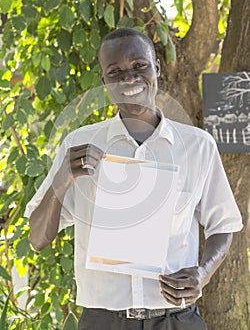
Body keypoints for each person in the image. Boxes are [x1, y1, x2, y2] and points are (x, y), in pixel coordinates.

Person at [25, 28, 243, 330]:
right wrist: (61, 180)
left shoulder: (197, 146)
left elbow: (224, 225)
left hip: (176, 320)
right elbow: (37, 239)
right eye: (115, 72)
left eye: (140, 66)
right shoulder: (78, 144)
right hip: (102, 321)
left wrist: (202, 273)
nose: (129, 78)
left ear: (156, 69)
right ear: (104, 82)